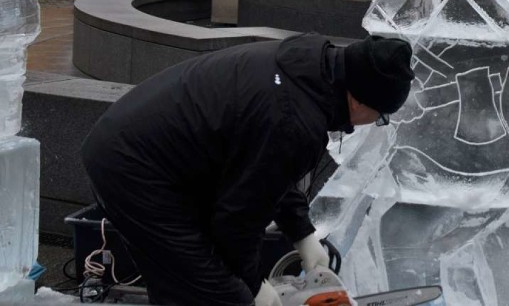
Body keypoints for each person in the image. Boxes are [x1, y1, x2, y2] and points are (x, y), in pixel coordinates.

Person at [81, 33, 414, 306]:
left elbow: (269, 172)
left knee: (185, 285)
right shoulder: (294, 120)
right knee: (218, 294)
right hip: (135, 168)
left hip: (142, 153)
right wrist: (254, 286)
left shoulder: (310, 69)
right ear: (359, 100)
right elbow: (238, 218)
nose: (375, 123)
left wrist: (303, 234)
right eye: (381, 116)